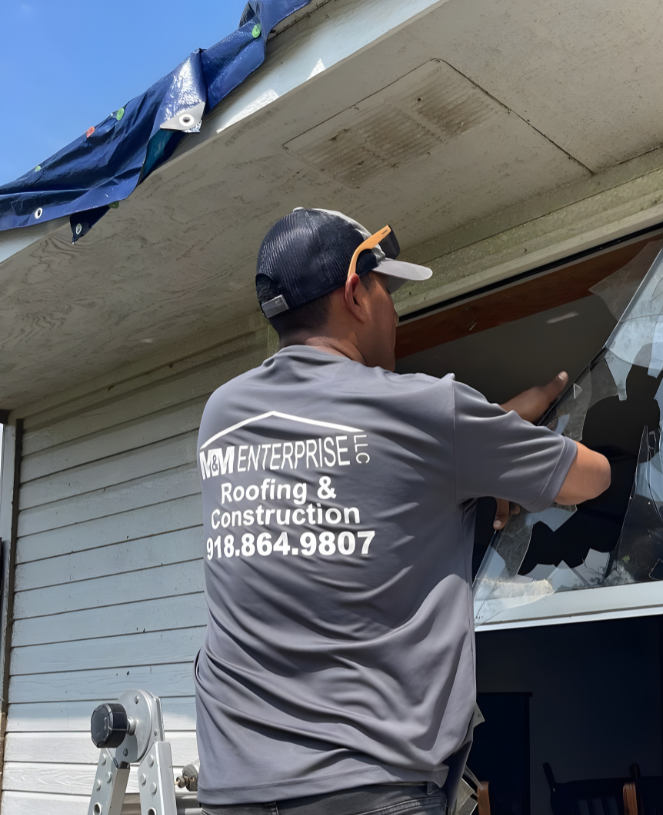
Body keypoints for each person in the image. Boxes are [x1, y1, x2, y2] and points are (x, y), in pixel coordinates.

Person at [193, 208, 611, 812]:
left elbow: (351, 490)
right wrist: (500, 444)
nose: (395, 309)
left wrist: (479, 449)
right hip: (365, 788)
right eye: (389, 290)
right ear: (355, 293)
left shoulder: (222, 418)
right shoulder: (427, 409)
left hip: (235, 786)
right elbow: (589, 479)